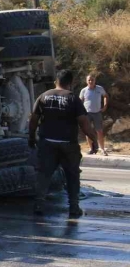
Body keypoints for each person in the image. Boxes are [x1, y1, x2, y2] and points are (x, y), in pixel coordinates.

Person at [29, 69, 99, 219]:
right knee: (72, 175)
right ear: (70, 83)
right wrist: (94, 140)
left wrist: (31, 137)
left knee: (44, 174)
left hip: (47, 142)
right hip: (68, 144)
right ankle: (74, 207)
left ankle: (39, 204)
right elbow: (84, 124)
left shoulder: (43, 96)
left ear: (56, 81)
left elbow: (33, 119)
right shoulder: (73, 99)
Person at [79, 73, 109, 156]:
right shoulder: (83, 90)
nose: (90, 81)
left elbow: (105, 96)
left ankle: (102, 149)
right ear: (86, 81)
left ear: (95, 80)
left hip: (97, 113)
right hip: (87, 114)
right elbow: (80, 101)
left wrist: (105, 106)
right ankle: (91, 149)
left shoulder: (100, 88)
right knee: (88, 132)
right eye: (89, 80)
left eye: (92, 80)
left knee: (99, 131)